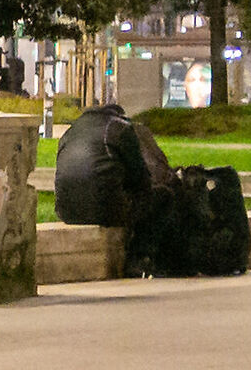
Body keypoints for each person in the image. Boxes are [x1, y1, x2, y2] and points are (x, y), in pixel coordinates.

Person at [54, 100, 176, 271]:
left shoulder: (71, 132)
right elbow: (140, 179)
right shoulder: (120, 128)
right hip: (104, 209)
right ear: (118, 114)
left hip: (66, 211)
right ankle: (141, 257)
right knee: (164, 197)